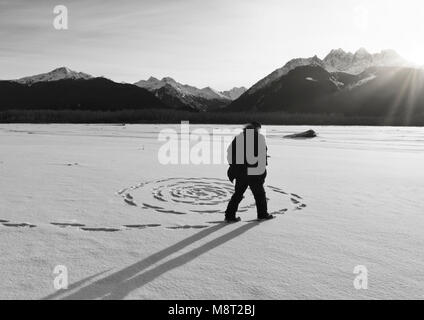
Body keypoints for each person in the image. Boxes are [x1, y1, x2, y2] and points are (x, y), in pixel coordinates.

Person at [224, 122, 274, 222]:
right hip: (254, 172)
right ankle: (262, 214)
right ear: (256, 129)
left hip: (241, 173)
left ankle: (229, 216)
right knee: (259, 195)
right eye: (259, 129)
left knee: (238, 194)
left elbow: (230, 153)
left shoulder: (239, 137)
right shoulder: (259, 138)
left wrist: (235, 167)